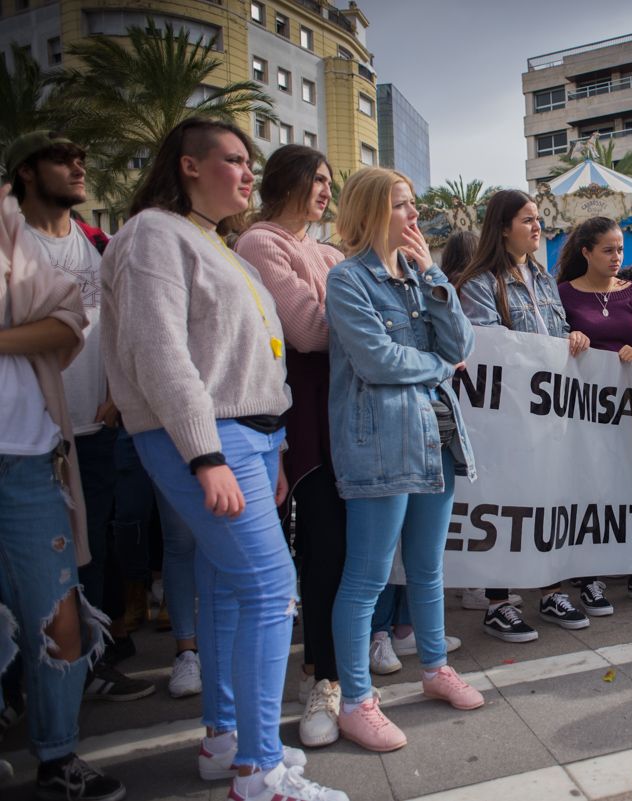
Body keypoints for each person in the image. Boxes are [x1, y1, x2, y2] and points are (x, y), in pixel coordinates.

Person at [101, 118, 345, 801]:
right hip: (211, 435)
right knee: (271, 588)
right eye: (234, 160)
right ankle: (258, 772)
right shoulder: (154, 233)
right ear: (189, 165)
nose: (247, 173)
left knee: (231, 588)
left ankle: (225, 740)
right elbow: (159, 352)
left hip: (249, 436)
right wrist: (204, 453)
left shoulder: (215, 241)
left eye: (249, 162)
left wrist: (276, 446)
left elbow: (257, 355)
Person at [325, 167, 482, 752]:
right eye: (401, 205)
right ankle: (357, 701)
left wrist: (435, 276)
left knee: (427, 567)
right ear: (370, 211)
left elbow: (462, 344)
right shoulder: (347, 279)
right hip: (381, 445)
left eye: (413, 204)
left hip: (437, 438)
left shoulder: (421, 278)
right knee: (366, 577)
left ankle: (435, 667)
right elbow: (378, 360)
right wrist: (440, 368)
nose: (414, 215)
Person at [6, 131, 157, 704]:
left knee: (90, 550)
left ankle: (90, 663)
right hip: (28, 433)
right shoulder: (11, 241)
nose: (78, 167)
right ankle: (21, 679)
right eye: (61, 159)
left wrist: (118, 391)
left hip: (95, 425)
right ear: (25, 172)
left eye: (80, 159)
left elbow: (121, 322)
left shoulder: (98, 242)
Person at [0, 173, 126, 799]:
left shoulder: (11, 233)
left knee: (60, 617)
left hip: (30, 455)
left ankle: (57, 756)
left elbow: (67, 321)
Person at [233, 144, 347, 748]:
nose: (326, 190)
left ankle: (331, 666)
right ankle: (321, 674)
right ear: (287, 181)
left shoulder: (328, 252)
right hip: (302, 416)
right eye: (317, 179)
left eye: (330, 181)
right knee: (322, 545)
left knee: (348, 547)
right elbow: (309, 329)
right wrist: (362, 319)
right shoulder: (260, 242)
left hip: (345, 410)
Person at [455, 189, 591, 641]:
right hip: (507, 416)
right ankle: (498, 602)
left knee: (548, 496)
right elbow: (489, 346)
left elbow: (556, 331)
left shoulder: (544, 279)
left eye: (538, 219)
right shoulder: (479, 284)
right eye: (528, 220)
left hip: (548, 414)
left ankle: (550, 590)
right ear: (502, 228)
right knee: (505, 501)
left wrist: (573, 338)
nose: (537, 227)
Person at [556, 217, 632, 611]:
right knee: (590, 491)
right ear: (586, 252)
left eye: (620, 249)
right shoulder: (564, 294)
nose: (617, 256)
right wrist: (568, 338)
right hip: (583, 413)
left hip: (629, 411)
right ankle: (590, 577)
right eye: (608, 250)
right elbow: (548, 342)